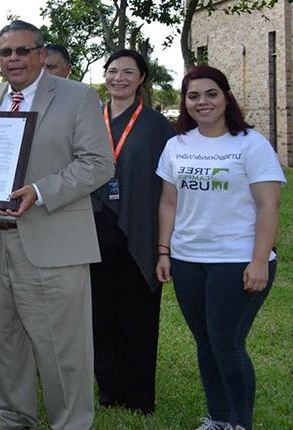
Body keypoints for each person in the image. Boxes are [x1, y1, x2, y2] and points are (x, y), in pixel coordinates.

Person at [0, 20, 112, 430]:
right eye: (5, 52)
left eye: (22, 51)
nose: (14, 59)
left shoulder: (78, 97)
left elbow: (99, 163)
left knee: (62, 346)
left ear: (41, 54)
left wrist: (41, 191)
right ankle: (10, 415)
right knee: (5, 339)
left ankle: (71, 423)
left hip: (52, 239)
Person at [155, 65, 284, 430]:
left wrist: (259, 260)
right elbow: (168, 203)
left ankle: (240, 423)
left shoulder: (250, 144)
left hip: (237, 260)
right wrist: (164, 251)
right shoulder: (176, 145)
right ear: (185, 102)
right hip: (187, 259)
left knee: (226, 343)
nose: (202, 102)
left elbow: (268, 206)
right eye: (193, 96)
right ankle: (217, 418)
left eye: (211, 93)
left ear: (226, 96)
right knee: (205, 343)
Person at [90, 49, 175, 415]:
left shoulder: (157, 126)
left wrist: (163, 248)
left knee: (138, 318)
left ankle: (140, 398)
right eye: (112, 71)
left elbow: (170, 188)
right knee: (99, 317)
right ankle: (109, 391)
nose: (119, 78)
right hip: (92, 232)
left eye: (129, 72)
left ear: (142, 78)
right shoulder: (90, 119)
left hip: (137, 232)